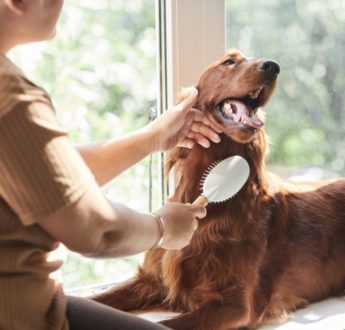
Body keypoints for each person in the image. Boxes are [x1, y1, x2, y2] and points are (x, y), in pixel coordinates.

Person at [0, 0, 222, 329]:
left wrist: (152, 138)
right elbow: (97, 231)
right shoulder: (13, 98)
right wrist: (162, 228)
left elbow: (44, 174)